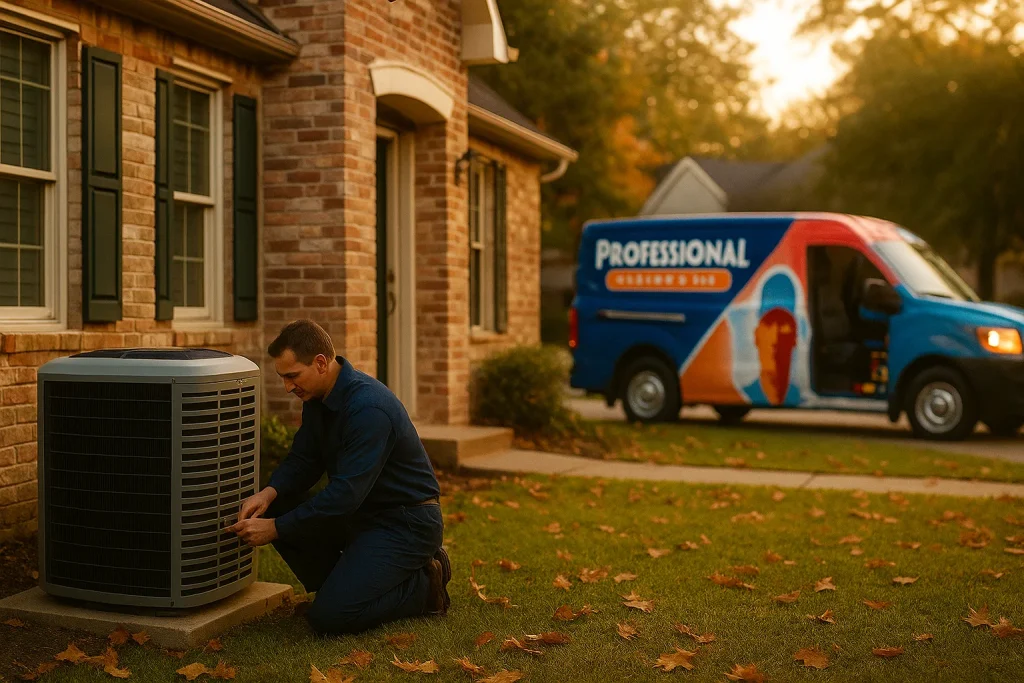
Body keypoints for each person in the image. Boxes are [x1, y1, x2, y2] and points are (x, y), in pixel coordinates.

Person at [227, 319, 450, 635]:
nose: (287, 387)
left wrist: (276, 529)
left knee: (329, 618)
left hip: (405, 523)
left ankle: (425, 586)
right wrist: (268, 493)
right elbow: (304, 460)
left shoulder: (369, 409)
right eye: (282, 378)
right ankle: (343, 586)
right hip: (361, 516)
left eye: (292, 376)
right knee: (278, 503)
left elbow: (345, 496)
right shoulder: (318, 398)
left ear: (320, 363)